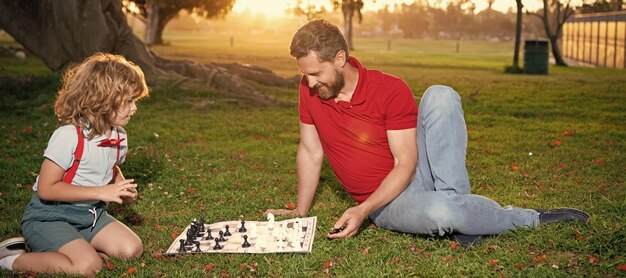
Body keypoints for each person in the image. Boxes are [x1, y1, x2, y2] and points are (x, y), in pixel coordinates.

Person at [265, 19, 588, 245]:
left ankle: (527, 218)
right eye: (304, 74)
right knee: (442, 211)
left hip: (412, 173)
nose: (308, 82)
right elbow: (310, 150)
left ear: (340, 59)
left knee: (441, 93)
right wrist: (301, 210)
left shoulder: (389, 88)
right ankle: (461, 215)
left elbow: (406, 162)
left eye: (315, 73)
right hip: (384, 203)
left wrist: (359, 211)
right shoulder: (310, 90)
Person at [0, 53, 149, 276]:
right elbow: (47, 189)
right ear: (102, 99)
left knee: (131, 249)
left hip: (91, 215)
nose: (134, 108)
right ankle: (13, 259)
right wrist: (102, 191)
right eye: (128, 102)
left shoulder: (119, 136)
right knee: (88, 267)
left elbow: (111, 166)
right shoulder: (69, 136)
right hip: (50, 216)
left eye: (134, 101)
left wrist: (120, 185)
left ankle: (79, 246)